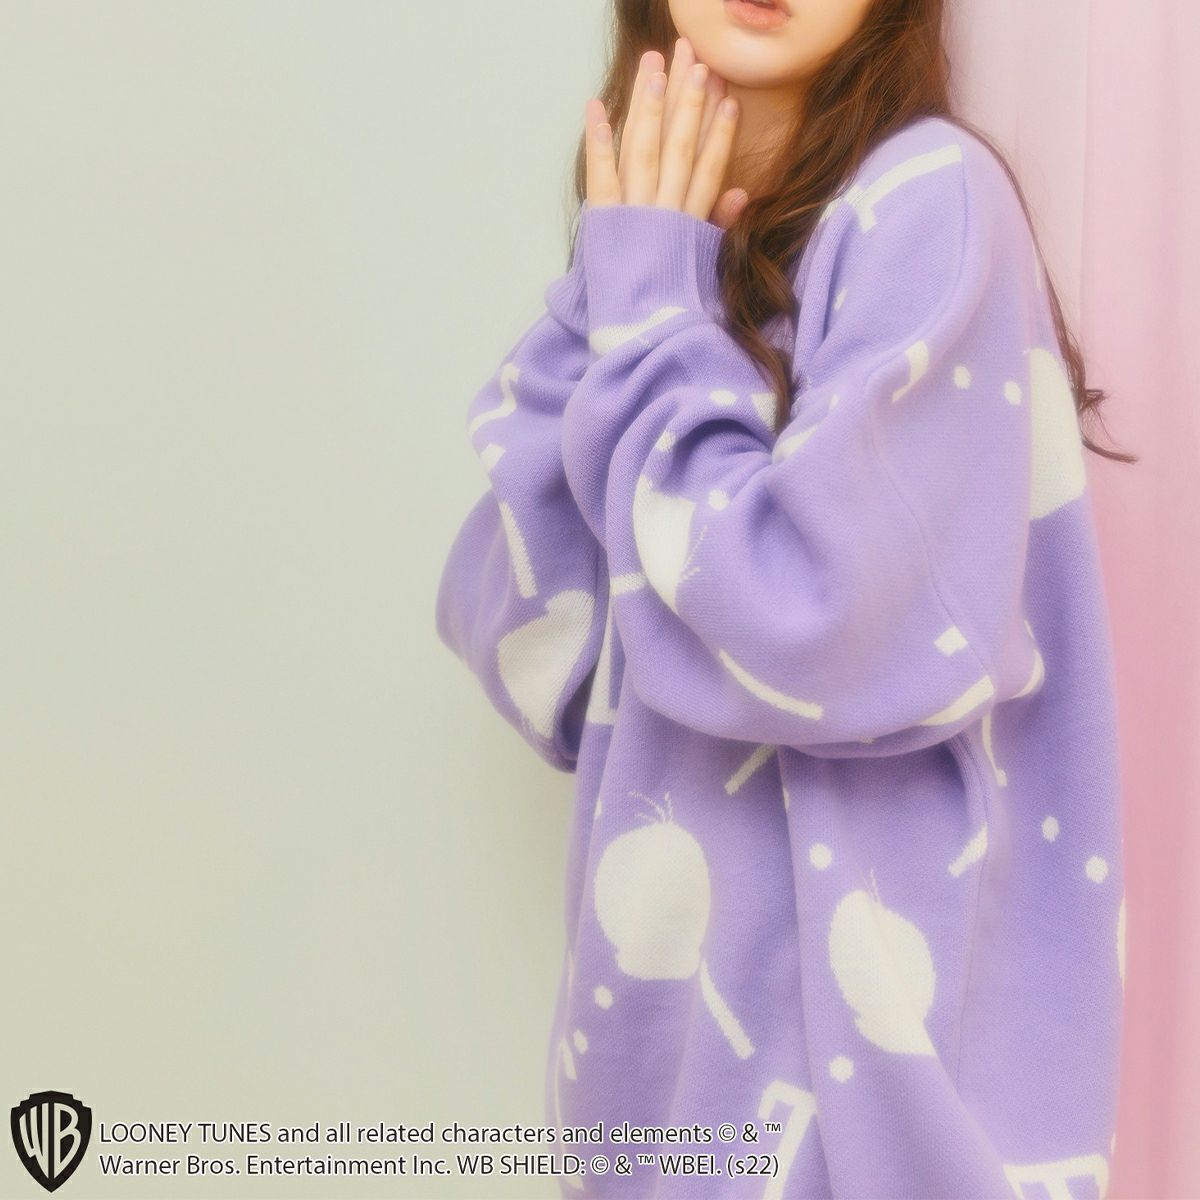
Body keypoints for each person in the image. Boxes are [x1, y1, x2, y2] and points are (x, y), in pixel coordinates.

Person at [435, 1, 1134, 1195]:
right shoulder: (665, 261)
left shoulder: (930, 199)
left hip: (874, 1104)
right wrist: (620, 274)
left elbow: (816, 628)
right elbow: (535, 645)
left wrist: (651, 321)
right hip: (658, 1096)